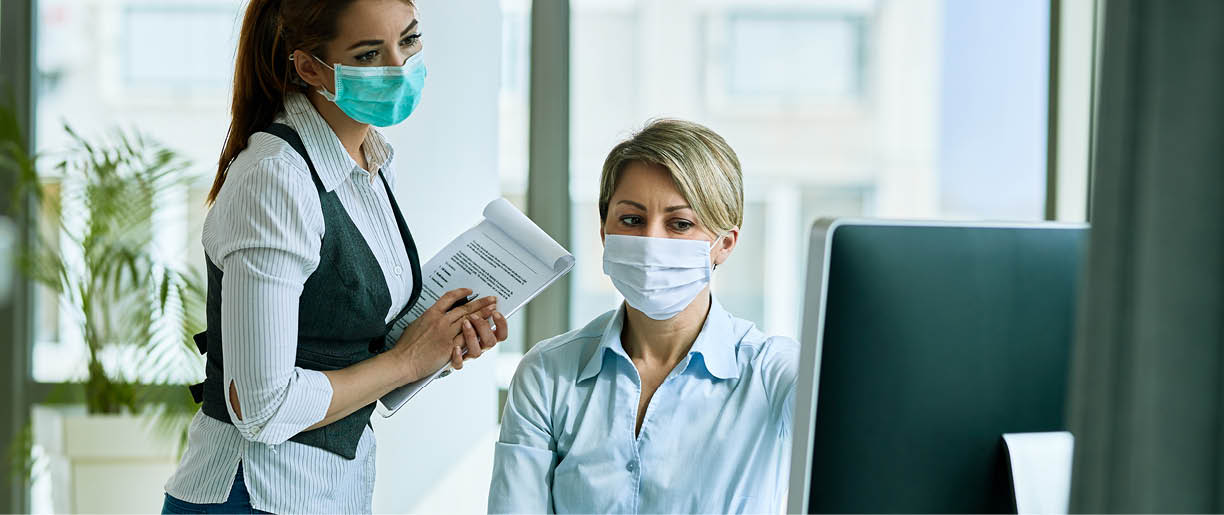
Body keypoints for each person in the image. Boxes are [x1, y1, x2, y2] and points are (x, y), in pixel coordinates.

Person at [162, 0, 508, 512]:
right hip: (256, 495)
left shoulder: (368, 159)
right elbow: (260, 406)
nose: (399, 67)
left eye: (408, 41)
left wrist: (437, 341)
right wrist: (404, 360)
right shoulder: (276, 179)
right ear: (308, 68)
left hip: (330, 491)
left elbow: (343, 334)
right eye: (369, 55)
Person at [488, 119, 799, 513]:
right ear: (604, 231)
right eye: (632, 220)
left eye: (680, 224)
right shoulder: (548, 373)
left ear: (724, 245)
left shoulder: (774, 372)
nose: (652, 241)